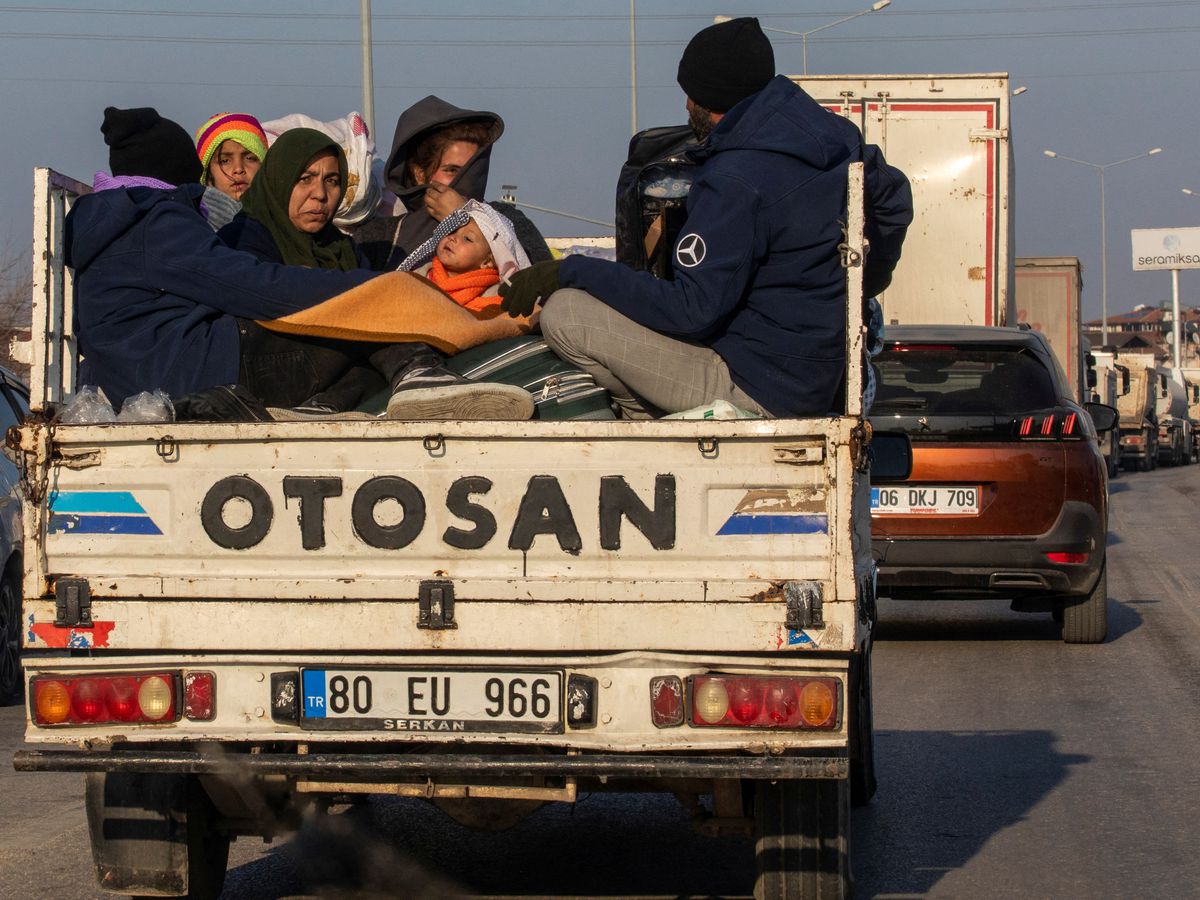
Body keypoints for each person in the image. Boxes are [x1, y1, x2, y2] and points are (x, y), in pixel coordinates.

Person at [499, 18, 913, 420]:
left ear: (709, 97)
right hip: (817, 378)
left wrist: (571, 271)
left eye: (690, 93)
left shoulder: (735, 179)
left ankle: (643, 422)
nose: (686, 104)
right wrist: (861, 281)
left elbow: (692, 310)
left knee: (566, 312)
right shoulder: (837, 141)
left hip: (755, 386)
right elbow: (895, 197)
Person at [70, 108, 534, 420]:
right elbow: (246, 284)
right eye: (305, 179)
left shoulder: (114, 228)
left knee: (360, 323)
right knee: (364, 317)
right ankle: (423, 381)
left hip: (175, 374)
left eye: (333, 180)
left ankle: (329, 408)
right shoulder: (161, 223)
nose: (320, 194)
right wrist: (351, 292)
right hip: (203, 373)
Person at [355, 96, 550, 271]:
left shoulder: (507, 220)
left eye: (473, 168)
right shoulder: (381, 235)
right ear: (420, 174)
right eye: (452, 170)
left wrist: (467, 217)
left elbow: (541, 280)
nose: (466, 178)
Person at [401, 199, 531, 317]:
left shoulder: (495, 297)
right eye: (452, 231)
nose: (453, 237)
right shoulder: (417, 277)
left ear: (487, 262)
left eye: (467, 239)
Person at [195, 112, 269, 229]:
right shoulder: (192, 227)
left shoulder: (284, 223)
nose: (238, 169)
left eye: (250, 158)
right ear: (207, 175)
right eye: (225, 161)